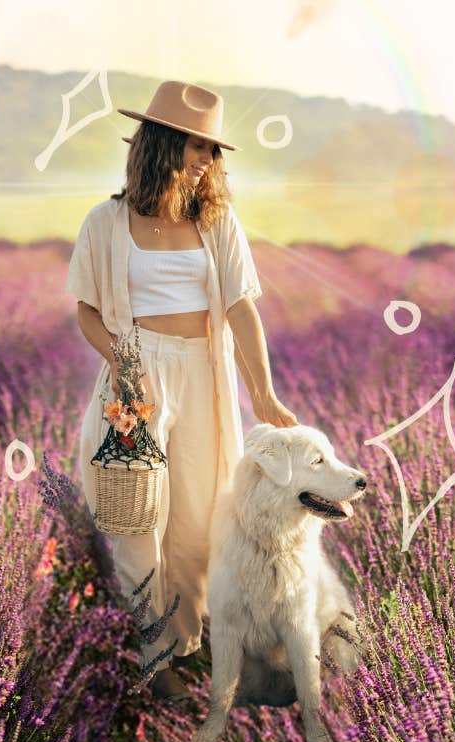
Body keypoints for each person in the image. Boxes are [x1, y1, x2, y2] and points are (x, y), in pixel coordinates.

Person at [66, 80, 298, 701]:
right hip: (136, 377)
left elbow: (242, 311)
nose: (207, 160)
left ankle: (188, 638)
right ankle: (152, 654)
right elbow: (87, 309)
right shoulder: (106, 222)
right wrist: (120, 360)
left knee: (199, 517)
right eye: (199, 145)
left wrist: (265, 395)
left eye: (213, 150)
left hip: (203, 373)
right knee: (139, 515)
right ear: (164, 143)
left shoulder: (217, 222)